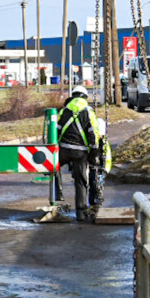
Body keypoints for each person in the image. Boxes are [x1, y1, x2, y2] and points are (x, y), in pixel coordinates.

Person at [57, 85, 100, 222]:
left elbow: (56, 129)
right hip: (80, 153)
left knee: (53, 170)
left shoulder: (64, 110)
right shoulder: (88, 111)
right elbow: (93, 133)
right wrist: (94, 153)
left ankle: (56, 195)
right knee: (81, 181)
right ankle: (80, 213)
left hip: (63, 150)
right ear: (85, 97)